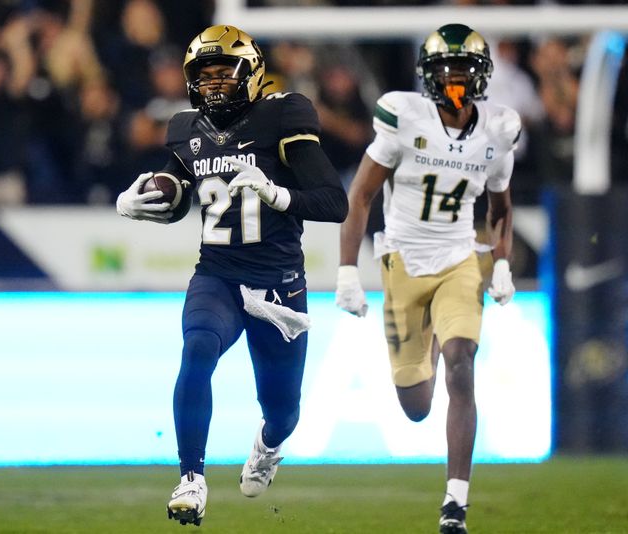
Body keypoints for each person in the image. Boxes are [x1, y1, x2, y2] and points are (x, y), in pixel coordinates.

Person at [116, 24, 348, 526]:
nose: (215, 83)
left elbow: (335, 202)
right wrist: (134, 201)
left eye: (226, 72)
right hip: (217, 275)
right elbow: (178, 196)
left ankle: (268, 446)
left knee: (283, 410)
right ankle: (191, 479)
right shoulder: (185, 128)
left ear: (253, 72)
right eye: (206, 74)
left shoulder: (282, 115)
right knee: (197, 347)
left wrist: (276, 194)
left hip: (278, 284)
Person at [334, 24, 518, 534]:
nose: (455, 79)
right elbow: (361, 196)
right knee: (416, 405)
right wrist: (349, 270)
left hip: (460, 258)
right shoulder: (403, 117)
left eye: (464, 69)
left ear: (481, 75)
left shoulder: (498, 130)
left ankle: (455, 503)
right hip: (403, 263)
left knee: (463, 361)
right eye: (446, 69)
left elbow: (500, 207)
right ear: (428, 75)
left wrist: (499, 260)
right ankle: (430, 336)